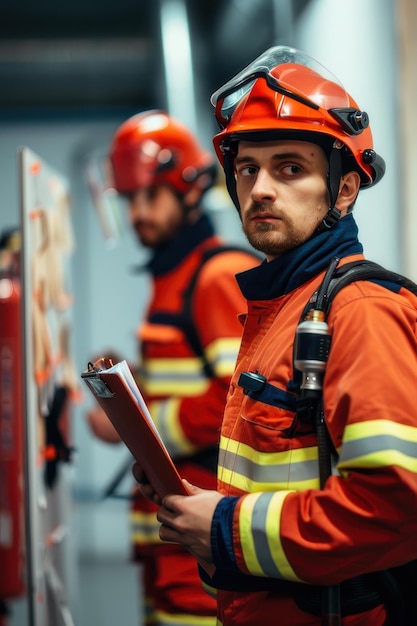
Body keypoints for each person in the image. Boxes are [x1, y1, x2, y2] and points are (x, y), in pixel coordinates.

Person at [133, 47, 417, 625]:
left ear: (343, 191)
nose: (260, 188)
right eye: (247, 169)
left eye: (290, 168)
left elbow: (393, 505)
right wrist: (193, 494)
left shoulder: (358, 310)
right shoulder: (279, 309)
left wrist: (221, 527)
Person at [86, 109, 259, 626]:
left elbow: (237, 397)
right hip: (172, 531)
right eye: (129, 199)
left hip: (202, 525)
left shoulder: (216, 274)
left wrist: (133, 427)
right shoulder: (175, 275)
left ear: (189, 191)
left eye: (150, 196)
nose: (138, 212)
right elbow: (191, 376)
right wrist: (131, 382)